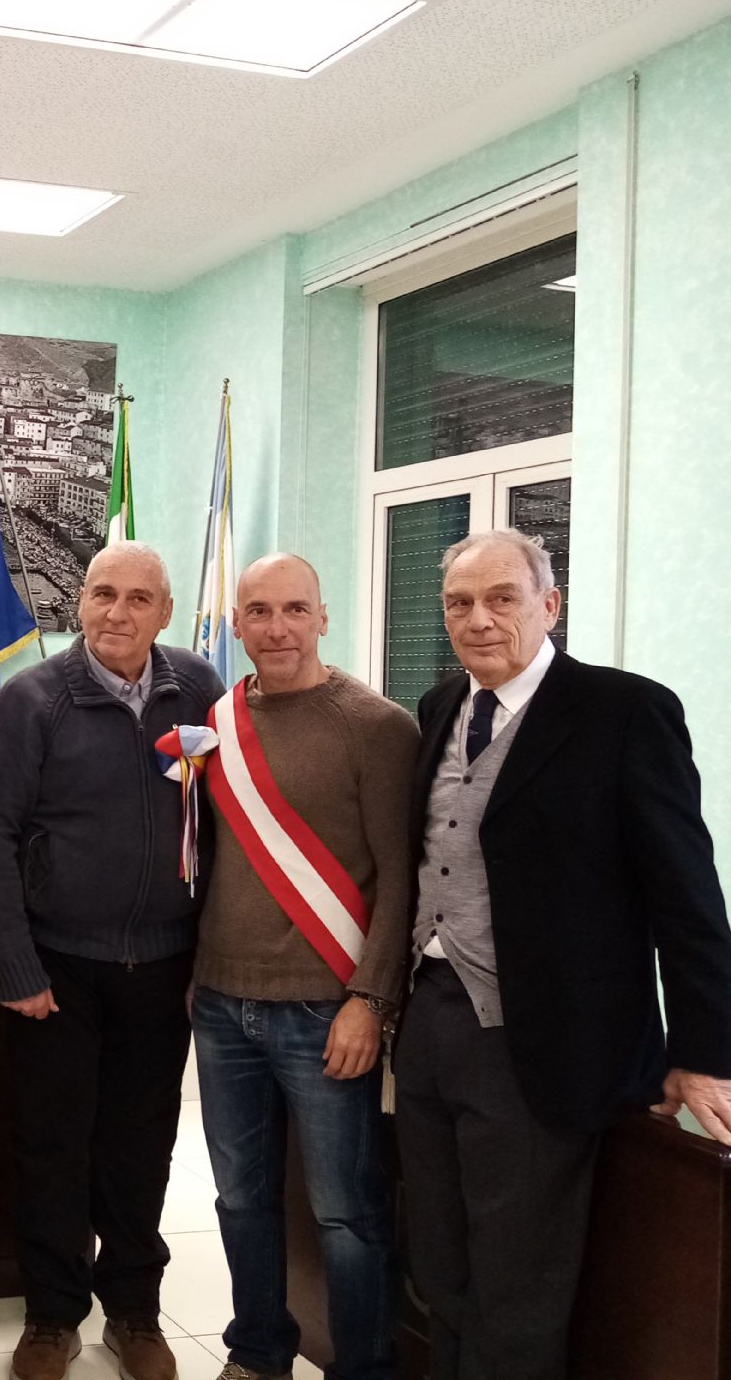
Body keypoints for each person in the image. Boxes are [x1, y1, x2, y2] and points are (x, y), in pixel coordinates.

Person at [394, 530, 731, 1380]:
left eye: (502, 598)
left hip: (539, 1044)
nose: (479, 619)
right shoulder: (440, 706)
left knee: (517, 1286)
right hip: (430, 1025)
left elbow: (686, 895)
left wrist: (702, 1053)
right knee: (439, 1263)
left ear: (550, 605)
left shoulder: (624, 713)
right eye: (460, 603)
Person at [0, 541, 225, 1380]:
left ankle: (135, 1311)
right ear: (79, 602)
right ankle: (51, 1316)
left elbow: (225, 827)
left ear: (166, 611)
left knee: (142, 1148)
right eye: (103, 593)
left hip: (164, 966)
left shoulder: (201, 690)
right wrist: (18, 967)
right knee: (52, 1147)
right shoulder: (34, 698)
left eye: (139, 598)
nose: (118, 612)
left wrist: (207, 956)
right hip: (58, 969)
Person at [190, 555, 417, 1380]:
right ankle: (258, 1352)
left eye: (294, 610)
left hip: (327, 1010)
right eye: (259, 611)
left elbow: (402, 876)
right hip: (222, 1006)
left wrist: (371, 1000)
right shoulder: (219, 719)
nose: (277, 628)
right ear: (237, 623)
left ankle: (364, 1368)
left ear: (323, 617)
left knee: (345, 1214)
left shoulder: (378, 727)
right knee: (240, 1198)